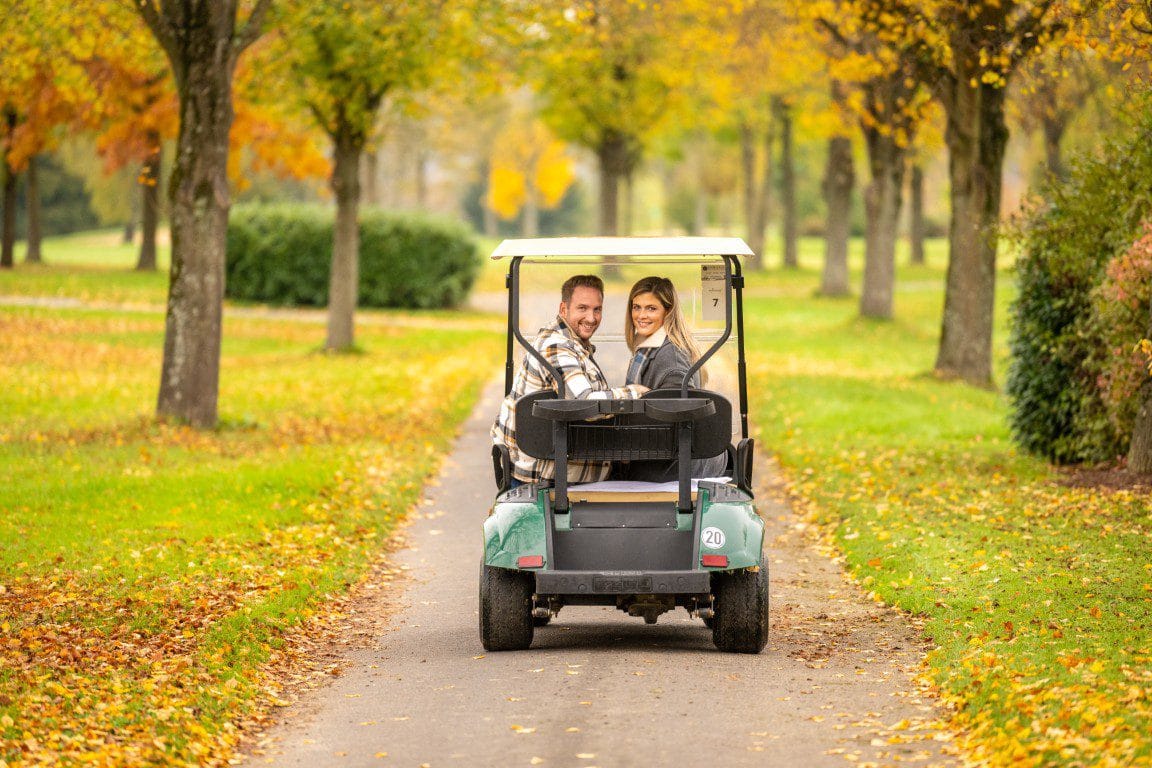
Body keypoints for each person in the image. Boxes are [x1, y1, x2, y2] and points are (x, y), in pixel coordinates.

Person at [492, 275, 648, 487]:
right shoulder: (556, 346)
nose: (591, 318)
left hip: (558, 467)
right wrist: (636, 393)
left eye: (597, 309)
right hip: (545, 479)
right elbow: (584, 403)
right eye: (582, 308)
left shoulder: (572, 343)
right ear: (563, 309)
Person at [620, 275, 728, 481]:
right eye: (636, 307)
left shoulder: (672, 358)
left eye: (651, 308)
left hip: (676, 465)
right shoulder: (650, 349)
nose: (641, 315)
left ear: (667, 312)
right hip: (670, 456)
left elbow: (675, 417)